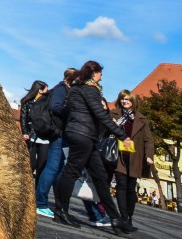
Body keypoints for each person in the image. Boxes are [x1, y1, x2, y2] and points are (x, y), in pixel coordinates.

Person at [53, 60, 130, 233]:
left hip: (81, 134)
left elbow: (67, 111)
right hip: (83, 135)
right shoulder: (91, 91)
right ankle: (60, 211)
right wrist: (122, 135)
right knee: (72, 171)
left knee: (100, 176)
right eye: (100, 74)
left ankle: (116, 219)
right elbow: (101, 115)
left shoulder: (75, 89)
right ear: (93, 73)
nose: (101, 77)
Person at [33, 67, 75, 218]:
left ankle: (56, 202)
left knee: (58, 167)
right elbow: (55, 107)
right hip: (57, 132)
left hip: (60, 132)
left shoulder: (63, 89)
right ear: (70, 79)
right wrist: (70, 112)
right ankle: (41, 203)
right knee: (52, 167)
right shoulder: (61, 89)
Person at [113, 89, 155, 233]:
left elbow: (148, 140)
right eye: (123, 99)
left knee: (131, 190)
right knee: (121, 186)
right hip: (119, 156)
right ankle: (123, 218)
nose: (125, 101)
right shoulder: (114, 114)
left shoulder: (141, 119)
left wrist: (149, 156)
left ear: (133, 102)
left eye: (128, 100)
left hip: (134, 158)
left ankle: (129, 217)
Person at [19, 80, 51, 185]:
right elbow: (23, 118)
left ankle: (37, 190)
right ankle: (26, 187)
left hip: (44, 138)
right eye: (46, 89)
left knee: (41, 165)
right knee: (30, 164)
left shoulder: (47, 102)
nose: (48, 91)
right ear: (40, 90)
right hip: (31, 137)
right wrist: (25, 132)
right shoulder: (27, 102)